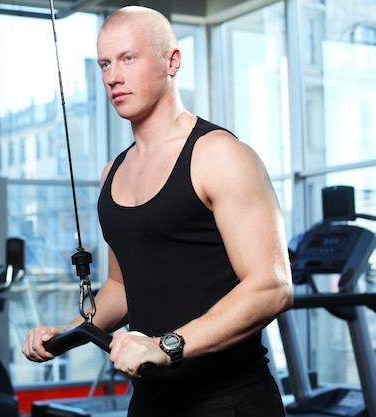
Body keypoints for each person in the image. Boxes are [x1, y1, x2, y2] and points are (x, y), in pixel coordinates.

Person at [22, 5, 293, 417]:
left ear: (172, 61)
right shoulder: (113, 172)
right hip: (150, 402)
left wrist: (168, 345)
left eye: (128, 58)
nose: (113, 76)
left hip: (229, 402)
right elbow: (121, 286)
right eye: (104, 64)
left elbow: (272, 287)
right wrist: (70, 333)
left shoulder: (218, 155)